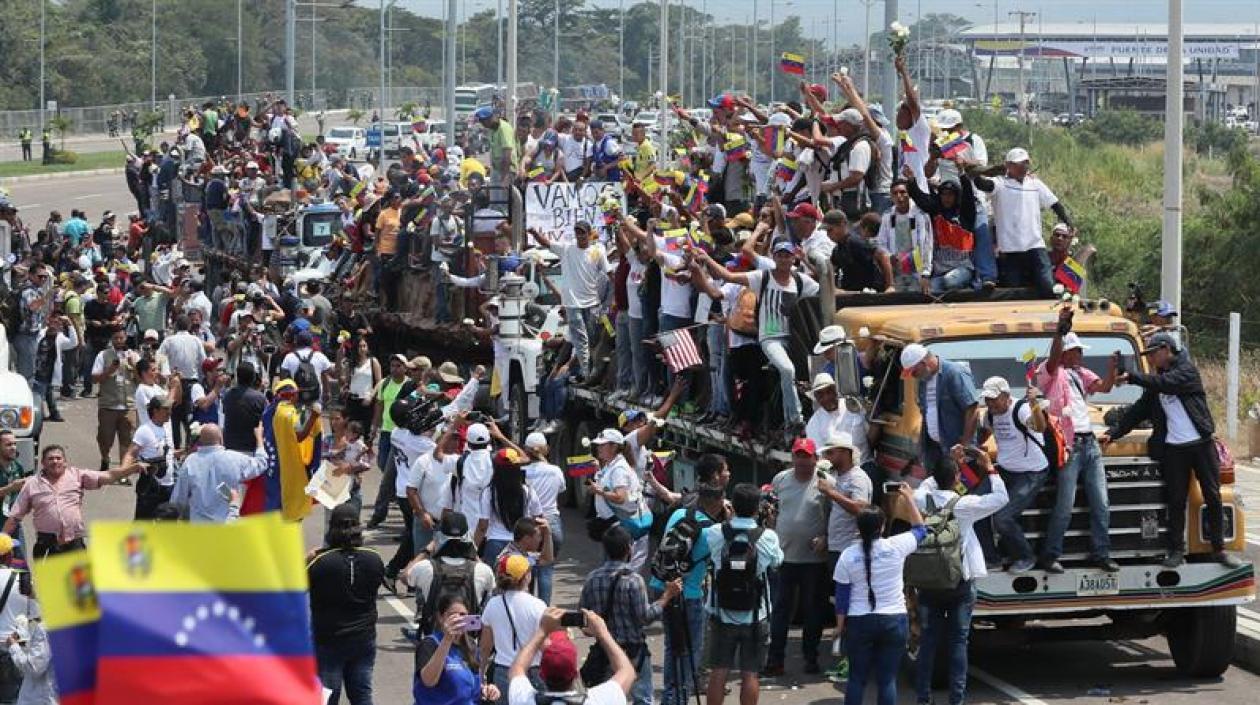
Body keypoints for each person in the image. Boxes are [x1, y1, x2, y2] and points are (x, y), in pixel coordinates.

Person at [1102, 333, 1243, 568]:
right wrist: (1115, 433)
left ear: (1166, 350)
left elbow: (1167, 384)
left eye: (1153, 354)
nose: (1152, 359)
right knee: (1175, 500)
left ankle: (1219, 549)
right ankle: (1176, 550)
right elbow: (1139, 411)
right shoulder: (1156, 381)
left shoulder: (1187, 372)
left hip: (1200, 444)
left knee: (1212, 495)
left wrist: (1133, 378)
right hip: (1174, 449)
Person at [912, 449, 1009, 705]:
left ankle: (923, 697)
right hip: (960, 580)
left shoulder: (922, 499)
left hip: (929, 581)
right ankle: (957, 699)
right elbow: (1001, 498)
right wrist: (989, 468)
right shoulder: (965, 505)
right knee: (958, 642)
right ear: (957, 478)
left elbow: (925, 485)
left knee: (928, 641)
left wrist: (943, 468)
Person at [698, 241, 819, 430]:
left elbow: (825, 288)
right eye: (779, 255)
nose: (783, 259)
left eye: (787, 255)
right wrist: (706, 259)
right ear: (773, 257)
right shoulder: (762, 276)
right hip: (770, 338)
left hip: (793, 339)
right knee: (787, 370)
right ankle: (795, 420)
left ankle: (788, 422)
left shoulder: (800, 280)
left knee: (807, 375)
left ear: (793, 258)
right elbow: (727, 275)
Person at [1035, 308, 1118, 574]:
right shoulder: (1050, 373)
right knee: (1065, 504)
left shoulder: (1080, 373)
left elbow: (1104, 387)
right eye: (1077, 351)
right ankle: (1050, 554)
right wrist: (1060, 331)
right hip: (1068, 445)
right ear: (1066, 353)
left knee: (1101, 502)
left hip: (1089, 442)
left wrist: (1112, 370)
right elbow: (1052, 356)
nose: (1081, 355)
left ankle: (1101, 553)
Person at [834, 492, 926, 705]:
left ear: (857, 529)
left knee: (857, 679)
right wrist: (908, 498)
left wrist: (839, 627)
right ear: (883, 526)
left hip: (859, 621)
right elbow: (921, 529)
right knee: (887, 680)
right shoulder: (896, 546)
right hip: (894, 620)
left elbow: (842, 597)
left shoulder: (847, 555)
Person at [580, 526, 682, 705]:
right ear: (629, 548)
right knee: (642, 699)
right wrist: (666, 597)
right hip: (634, 651)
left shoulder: (592, 579)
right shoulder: (634, 580)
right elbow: (645, 617)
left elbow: (583, 618)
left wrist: (595, 630)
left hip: (605, 652)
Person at [704, 483, 783, 705]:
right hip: (755, 615)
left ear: (733, 505)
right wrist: (770, 525)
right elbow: (777, 562)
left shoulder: (715, 532)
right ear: (757, 508)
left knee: (719, 671)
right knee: (750, 673)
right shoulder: (767, 537)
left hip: (721, 612)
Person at [650, 482, 725, 705]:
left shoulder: (680, 514)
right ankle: (677, 698)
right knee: (690, 652)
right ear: (719, 502)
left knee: (673, 646)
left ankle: (670, 697)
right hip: (688, 595)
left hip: (661, 584)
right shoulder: (713, 531)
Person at [2, 445, 141, 558]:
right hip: (47, 544)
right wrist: (3, 539)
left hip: (74, 542)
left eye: (58, 458)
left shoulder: (78, 476)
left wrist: (133, 468)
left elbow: (109, 476)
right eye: (50, 459)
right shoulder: (31, 484)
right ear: (43, 463)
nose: (55, 461)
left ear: (65, 462)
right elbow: (15, 516)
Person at [764, 438, 829, 677]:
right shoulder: (780, 480)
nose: (802, 461)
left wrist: (826, 538)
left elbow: (836, 519)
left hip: (814, 561)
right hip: (784, 558)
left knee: (814, 611)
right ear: (793, 457)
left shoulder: (825, 483)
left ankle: (811, 658)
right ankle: (775, 660)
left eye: (807, 457)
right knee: (781, 610)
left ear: (815, 459)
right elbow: (772, 510)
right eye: (798, 456)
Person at [308, 504, 385, 705]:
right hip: (363, 638)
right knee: (362, 696)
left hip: (329, 640)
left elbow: (294, 587)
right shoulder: (374, 558)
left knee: (328, 697)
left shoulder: (321, 562)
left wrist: (306, 559)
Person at [970, 147, 1073, 296]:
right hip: (1010, 249)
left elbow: (1054, 204)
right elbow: (982, 184)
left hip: (1035, 245)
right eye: (1018, 164)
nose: (1023, 167)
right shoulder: (999, 183)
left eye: (1025, 163)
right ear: (1009, 166)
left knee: (1046, 285)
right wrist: (980, 171)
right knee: (1014, 291)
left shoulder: (1035, 183)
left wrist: (1069, 223)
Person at [978, 377, 1049, 572]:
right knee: (973, 506)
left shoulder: (1022, 409)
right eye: (987, 399)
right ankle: (991, 558)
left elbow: (1040, 427)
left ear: (1006, 396)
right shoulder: (989, 415)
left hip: (1031, 472)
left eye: (994, 399)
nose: (990, 403)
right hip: (1005, 469)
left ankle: (1025, 557)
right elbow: (983, 434)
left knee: (1003, 518)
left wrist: (1034, 402)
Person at [528, 222, 611, 382]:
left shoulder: (597, 251)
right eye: (577, 232)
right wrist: (534, 233)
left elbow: (608, 272)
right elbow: (547, 243)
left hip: (592, 302)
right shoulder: (567, 249)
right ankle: (587, 374)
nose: (580, 236)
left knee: (592, 337)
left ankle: (592, 370)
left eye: (583, 233)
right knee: (580, 338)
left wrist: (609, 300)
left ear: (588, 234)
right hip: (572, 303)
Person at [506, 608, 634, 705]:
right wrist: (603, 633)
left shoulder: (525, 700)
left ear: (542, 674)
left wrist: (542, 631)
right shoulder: (597, 700)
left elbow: (517, 668)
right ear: (576, 674)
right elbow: (627, 671)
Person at [241, 379, 321, 522]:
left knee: (273, 506)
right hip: (286, 469)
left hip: (271, 468)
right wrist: (313, 416)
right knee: (289, 511)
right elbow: (300, 435)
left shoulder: (269, 411)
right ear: (292, 395)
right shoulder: (287, 413)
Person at [900, 344, 980, 473]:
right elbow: (926, 413)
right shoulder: (923, 381)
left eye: (914, 372)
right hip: (935, 451)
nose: (914, 376)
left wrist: (965, 447)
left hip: (957, 452)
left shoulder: (954, 373)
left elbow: (972, 409)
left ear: (924, 362)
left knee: (963, 489)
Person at [480, 554, 547, 704]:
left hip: (503, 672)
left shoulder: (493, 605)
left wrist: (481, 674)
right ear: (526, 576)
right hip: (534, 671)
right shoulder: (538, 606)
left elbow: (485, 647)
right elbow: (545, 646)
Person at [170, 424, 270, 523]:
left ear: (200, 441)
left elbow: (179, 498)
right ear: (221, 439)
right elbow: (261, 463)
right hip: (226, 524)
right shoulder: (234, 458)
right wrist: (259, 440)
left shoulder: (190, 461)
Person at [414, 593, 500, 705]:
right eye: (453, 615)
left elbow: (470, 686)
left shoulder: (471, 646)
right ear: (441, 618)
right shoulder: (430, 644)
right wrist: (447, 640)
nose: (458, 619)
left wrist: (486, 690)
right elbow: (428, 681)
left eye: (463, 615)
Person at [587, 429, 651, 570]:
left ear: (614, 446)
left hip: (620, 529)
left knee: (615, 571)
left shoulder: (619, 469)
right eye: (598, 445)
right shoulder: (613, 466)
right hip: (616, 527)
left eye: (602, 445)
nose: (599, 448)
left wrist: (600, 491)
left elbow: (620, 497)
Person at [473, 449, 542, 563]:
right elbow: (538, 519)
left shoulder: (489, 492)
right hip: (521, 544)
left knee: (496, 579)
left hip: (495, 545)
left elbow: (483, 526)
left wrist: (473, 548)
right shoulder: (528, 491)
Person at [521, 433, 565, 604]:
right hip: (552, 523)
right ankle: (545, 611)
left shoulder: (522, 472)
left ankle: (528, 610)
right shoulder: (555, 470)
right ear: (545, 449)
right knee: (546, 570)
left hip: (530, 524)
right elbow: (561, 488)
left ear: (526, 450)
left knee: (528, 571)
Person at [120, 394, 178, 520]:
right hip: (150, 486)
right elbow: (131, 452)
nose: (169, 411)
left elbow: (167, 453)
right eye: (165, 409)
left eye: (169, 408)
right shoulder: (145, 430)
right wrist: (123, 472)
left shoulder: (166, 429)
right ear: (155, 411)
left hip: (168, 485)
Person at [91, 327, 139, 473]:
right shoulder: (103, 355)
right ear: (112, 340)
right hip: (108, 405)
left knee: (127, 440)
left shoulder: (134, 355)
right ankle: (105, 459)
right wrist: (109, 371)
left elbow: (142, 380)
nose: (119, 341)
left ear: (126, 338)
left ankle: (122, 471)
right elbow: (94, 378)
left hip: (128, 405)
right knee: (105, 439)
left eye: (121, 338)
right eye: (116, 338)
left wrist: (134, 366)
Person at [804, 373, 872, 464]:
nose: (826, 398)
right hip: (836, 472)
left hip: (864, 463)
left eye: (829, 392)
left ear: (836, 391)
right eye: (820, 395)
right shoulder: (814, 423)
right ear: (816, 398)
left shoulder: (853, 406)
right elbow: (819, 455)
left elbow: (870, 435)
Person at [0, 533, 30, 703]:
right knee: (12, 698)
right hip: (11, 647)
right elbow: (33, 615)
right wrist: (17, 635)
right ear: (8, 556)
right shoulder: (22, 580)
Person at [222, 363, 267, 454]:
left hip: (230, 447)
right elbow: (266, 420)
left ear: (237, 377)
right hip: (251, 448)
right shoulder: (260, 398)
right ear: (253, 378)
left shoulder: (227, 395)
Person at [0, 433, 31, 557]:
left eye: (14, 444)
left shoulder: (17, 467)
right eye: (8, 445)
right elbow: (12, 489)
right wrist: (10, 488)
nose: (13, 447)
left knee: (22, 564)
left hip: (13, 523)